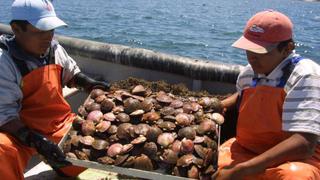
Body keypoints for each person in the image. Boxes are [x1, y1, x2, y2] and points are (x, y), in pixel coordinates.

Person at [0, 0, 110, 179]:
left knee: (98, 143)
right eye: (40, 31)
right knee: (1, 151)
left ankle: (61, 165)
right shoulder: (3, 62)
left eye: (51, 30)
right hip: (19, 133)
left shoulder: (53, 48)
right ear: (16, 29)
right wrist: (36, 141)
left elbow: (72, 75)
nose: (48, 37)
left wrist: (89, 84)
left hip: (57, 124)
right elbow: (4, 116)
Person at [214, 10, 320, 179]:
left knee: (296, 176)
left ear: (287, 49)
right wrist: (218, 106)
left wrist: (242, 170)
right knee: (207, 163)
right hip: (247, 150)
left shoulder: (305, 75)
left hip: (297, 159)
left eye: (260, 51)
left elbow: (304, 143)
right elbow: (244, 96)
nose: (252, 57)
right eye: (248, 49)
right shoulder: (249, 73)